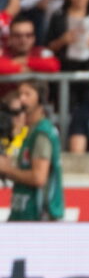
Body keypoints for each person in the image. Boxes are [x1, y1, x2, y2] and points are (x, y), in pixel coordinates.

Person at [0, 80, 64, 221]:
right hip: (22, 212)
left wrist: (6, 169)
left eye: (27, 94)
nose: (22, 99)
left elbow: (38, 177)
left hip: (38, 215)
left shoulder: (42, 132)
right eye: (20, 94)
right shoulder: (28, 132)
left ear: (40, 99)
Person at [0, 15, 61, 80]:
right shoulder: (3, 52)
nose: (23, 40)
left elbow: (54, 65)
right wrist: (23, 69)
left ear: (34, 38)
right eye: (17, 36)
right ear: (10, 38)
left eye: (28, 35)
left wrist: (25, 61)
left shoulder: (41, 52)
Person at [0, 89, 27, 159]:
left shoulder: (30, 135)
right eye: (14, 112)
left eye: (23, 110)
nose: (19, 115)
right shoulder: (2, 136)